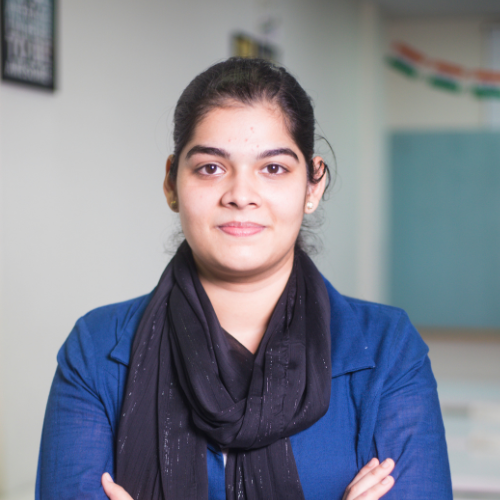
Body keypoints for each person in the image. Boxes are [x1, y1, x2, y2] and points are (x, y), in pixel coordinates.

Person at [36, 58, 452, 500]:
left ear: (312, 186)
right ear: (172, 183)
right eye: (210, 168)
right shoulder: (97, 349)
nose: (240, 195)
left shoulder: (387, 349)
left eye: (273, 168)